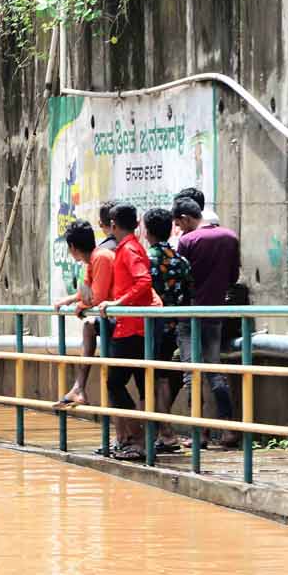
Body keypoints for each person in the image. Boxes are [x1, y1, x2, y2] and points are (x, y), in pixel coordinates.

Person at [92, 203, 160, 459]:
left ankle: (137, 437)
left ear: (112, 225)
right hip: (136, 326)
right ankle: (143, 440)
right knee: (142, 384)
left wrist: (118, 303)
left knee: (114, 383)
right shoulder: (131, 247)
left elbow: (144, 281)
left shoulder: (129, 249)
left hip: (132, 328)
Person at [173, 196, 242, 446]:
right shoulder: (230, 237)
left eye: (178, 224)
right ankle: (229, 428)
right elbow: (233, 276)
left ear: (185, 219)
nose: (179, 228)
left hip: (190, 314)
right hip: (215, 312)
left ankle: (199, 433)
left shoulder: (187, 241)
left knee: (192, 373)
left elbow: (179, 279)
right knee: (214, 370)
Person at [54, 202, 118, 407]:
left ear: (72, 248)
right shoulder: (94, 259)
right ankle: (78, 388)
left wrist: (81, 306)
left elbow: (96, 297)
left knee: (89, 326)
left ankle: (79, 387)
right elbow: (88, 291)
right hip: (118, 316)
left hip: (127, 319)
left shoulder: (101, 257)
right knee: (89, 326)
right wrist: (72, 300)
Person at [144, 206, 193, 453]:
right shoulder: (180, 260)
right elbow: (189, 291)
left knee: (151, 377)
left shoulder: (146, 259)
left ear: (147, 231)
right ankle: (164, 430)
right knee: (162, 376)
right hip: (174, 325)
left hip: (150, 325)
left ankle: (165, 432)